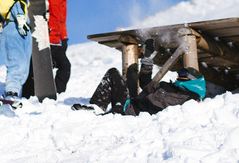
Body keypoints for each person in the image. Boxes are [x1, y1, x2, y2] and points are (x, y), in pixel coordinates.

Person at [72, 40, 206, 115]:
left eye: (182, 74)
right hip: (130, 105)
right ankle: (96, 107)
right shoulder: (168, 87)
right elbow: (146, 84)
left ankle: (103, 112)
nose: (178, 76)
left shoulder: (188, 101)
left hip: (131, 111)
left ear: (192, 81)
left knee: (114, 74)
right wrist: (147, 60)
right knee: (113, 73)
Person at [0, 0, 32, 98]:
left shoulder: (24, 1)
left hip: (24, 32)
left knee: (24, 64)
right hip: (12, 28)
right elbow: (2, 8)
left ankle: (16, 90)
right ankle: (11, 90)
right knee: (16, 62)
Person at [43, 0, 71, 93]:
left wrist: (64, 38)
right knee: (46, 66)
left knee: (65, 66)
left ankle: (58, 91)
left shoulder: (63, 1)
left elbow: (62, 22)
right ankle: (41, 90)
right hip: (46, 39)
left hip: (57, 43)